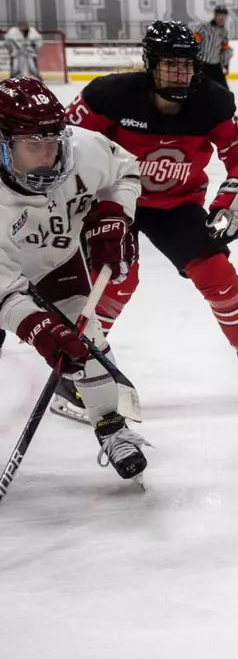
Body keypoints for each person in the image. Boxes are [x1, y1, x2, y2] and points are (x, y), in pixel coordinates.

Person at [66, 19, 238, 402]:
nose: (180, 73)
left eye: (186, 64)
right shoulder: (108, 96)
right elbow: (66, 145)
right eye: (170, 63)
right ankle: (78, 359)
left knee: (217, 273)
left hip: (177, 205)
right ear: (150, 64)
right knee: (117, 279)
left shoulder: (213, 101)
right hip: (116, 200)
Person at [0, 77, 147, 479]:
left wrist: (115, 216)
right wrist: (36, 327)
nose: (48, 155)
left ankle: (112, 427)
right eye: (33, 145)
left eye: (52, 142)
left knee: (86, 344)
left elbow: (126, 171)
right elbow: (4, 294)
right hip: (4, 280)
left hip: (56, 263)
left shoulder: (82, 148)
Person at [190, 5, 233, 87]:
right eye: (220, 16)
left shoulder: (224, 32)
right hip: (202, 64)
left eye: (224, 16)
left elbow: (225, 50)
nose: (222, 18)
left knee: (224, 89)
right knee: (199, 88)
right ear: (215, 16)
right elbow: (193, 42)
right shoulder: (204, 27)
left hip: (215, 65)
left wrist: (226, 65)